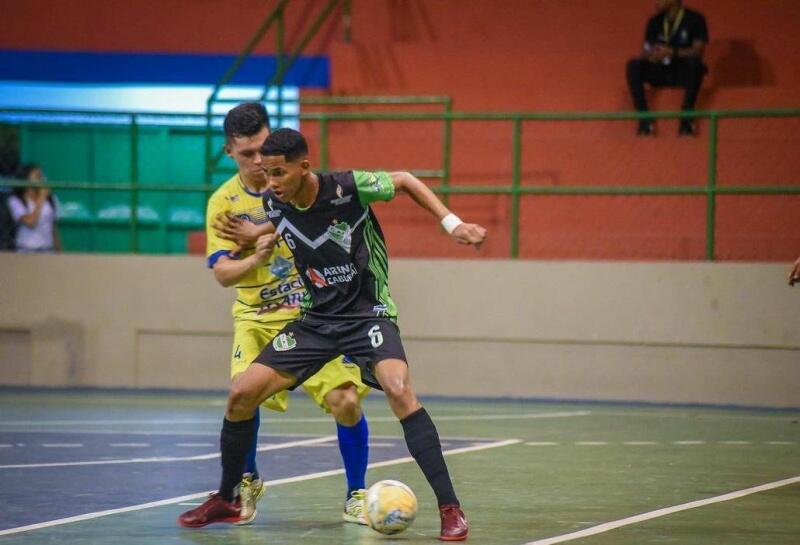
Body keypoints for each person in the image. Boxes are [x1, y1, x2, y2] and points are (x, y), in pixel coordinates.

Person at [179, 128, 486, 541]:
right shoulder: (275, 199)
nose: (270, 183)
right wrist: (256, 234)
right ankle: (229, 497)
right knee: (241, 395)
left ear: (304, 168)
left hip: (368, 315)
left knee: (399, 390)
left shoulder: (348, 187)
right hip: (315, 321)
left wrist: (453, 224)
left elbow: (406, 180)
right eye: (265, 174)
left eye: (278, 173)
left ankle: (451, 509)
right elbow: (281, 218)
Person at [203, 103, 371, 526]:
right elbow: (223, 274)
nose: (259, 162)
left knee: (346, 401)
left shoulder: (301, 183)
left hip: (312, 313)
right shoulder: (224, 204)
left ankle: (355, 493)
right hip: (256, 316)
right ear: (229, 152)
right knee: (243, 392)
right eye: (247, 155)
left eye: (263, 149)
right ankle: (248, 477)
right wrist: (253, 261)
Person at [626, 0, 709, 136]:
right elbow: (645, 50)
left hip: (683, 73)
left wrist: (672, 52)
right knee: (633, 65)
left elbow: (698, 51)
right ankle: (644, 119)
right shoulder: (654, 22)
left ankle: (686, 119)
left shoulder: (695, 19)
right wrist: (652, 55)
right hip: (660, 71)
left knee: (696, 64)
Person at [7, 164, 61, 252]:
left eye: (41, 176)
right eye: (37, 176)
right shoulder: (16, 200)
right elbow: (31, 222)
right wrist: (41, 198)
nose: (41, 179)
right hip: (26, 249)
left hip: (47, 249)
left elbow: (53, 227)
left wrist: (59, 250)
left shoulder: (50, 199)